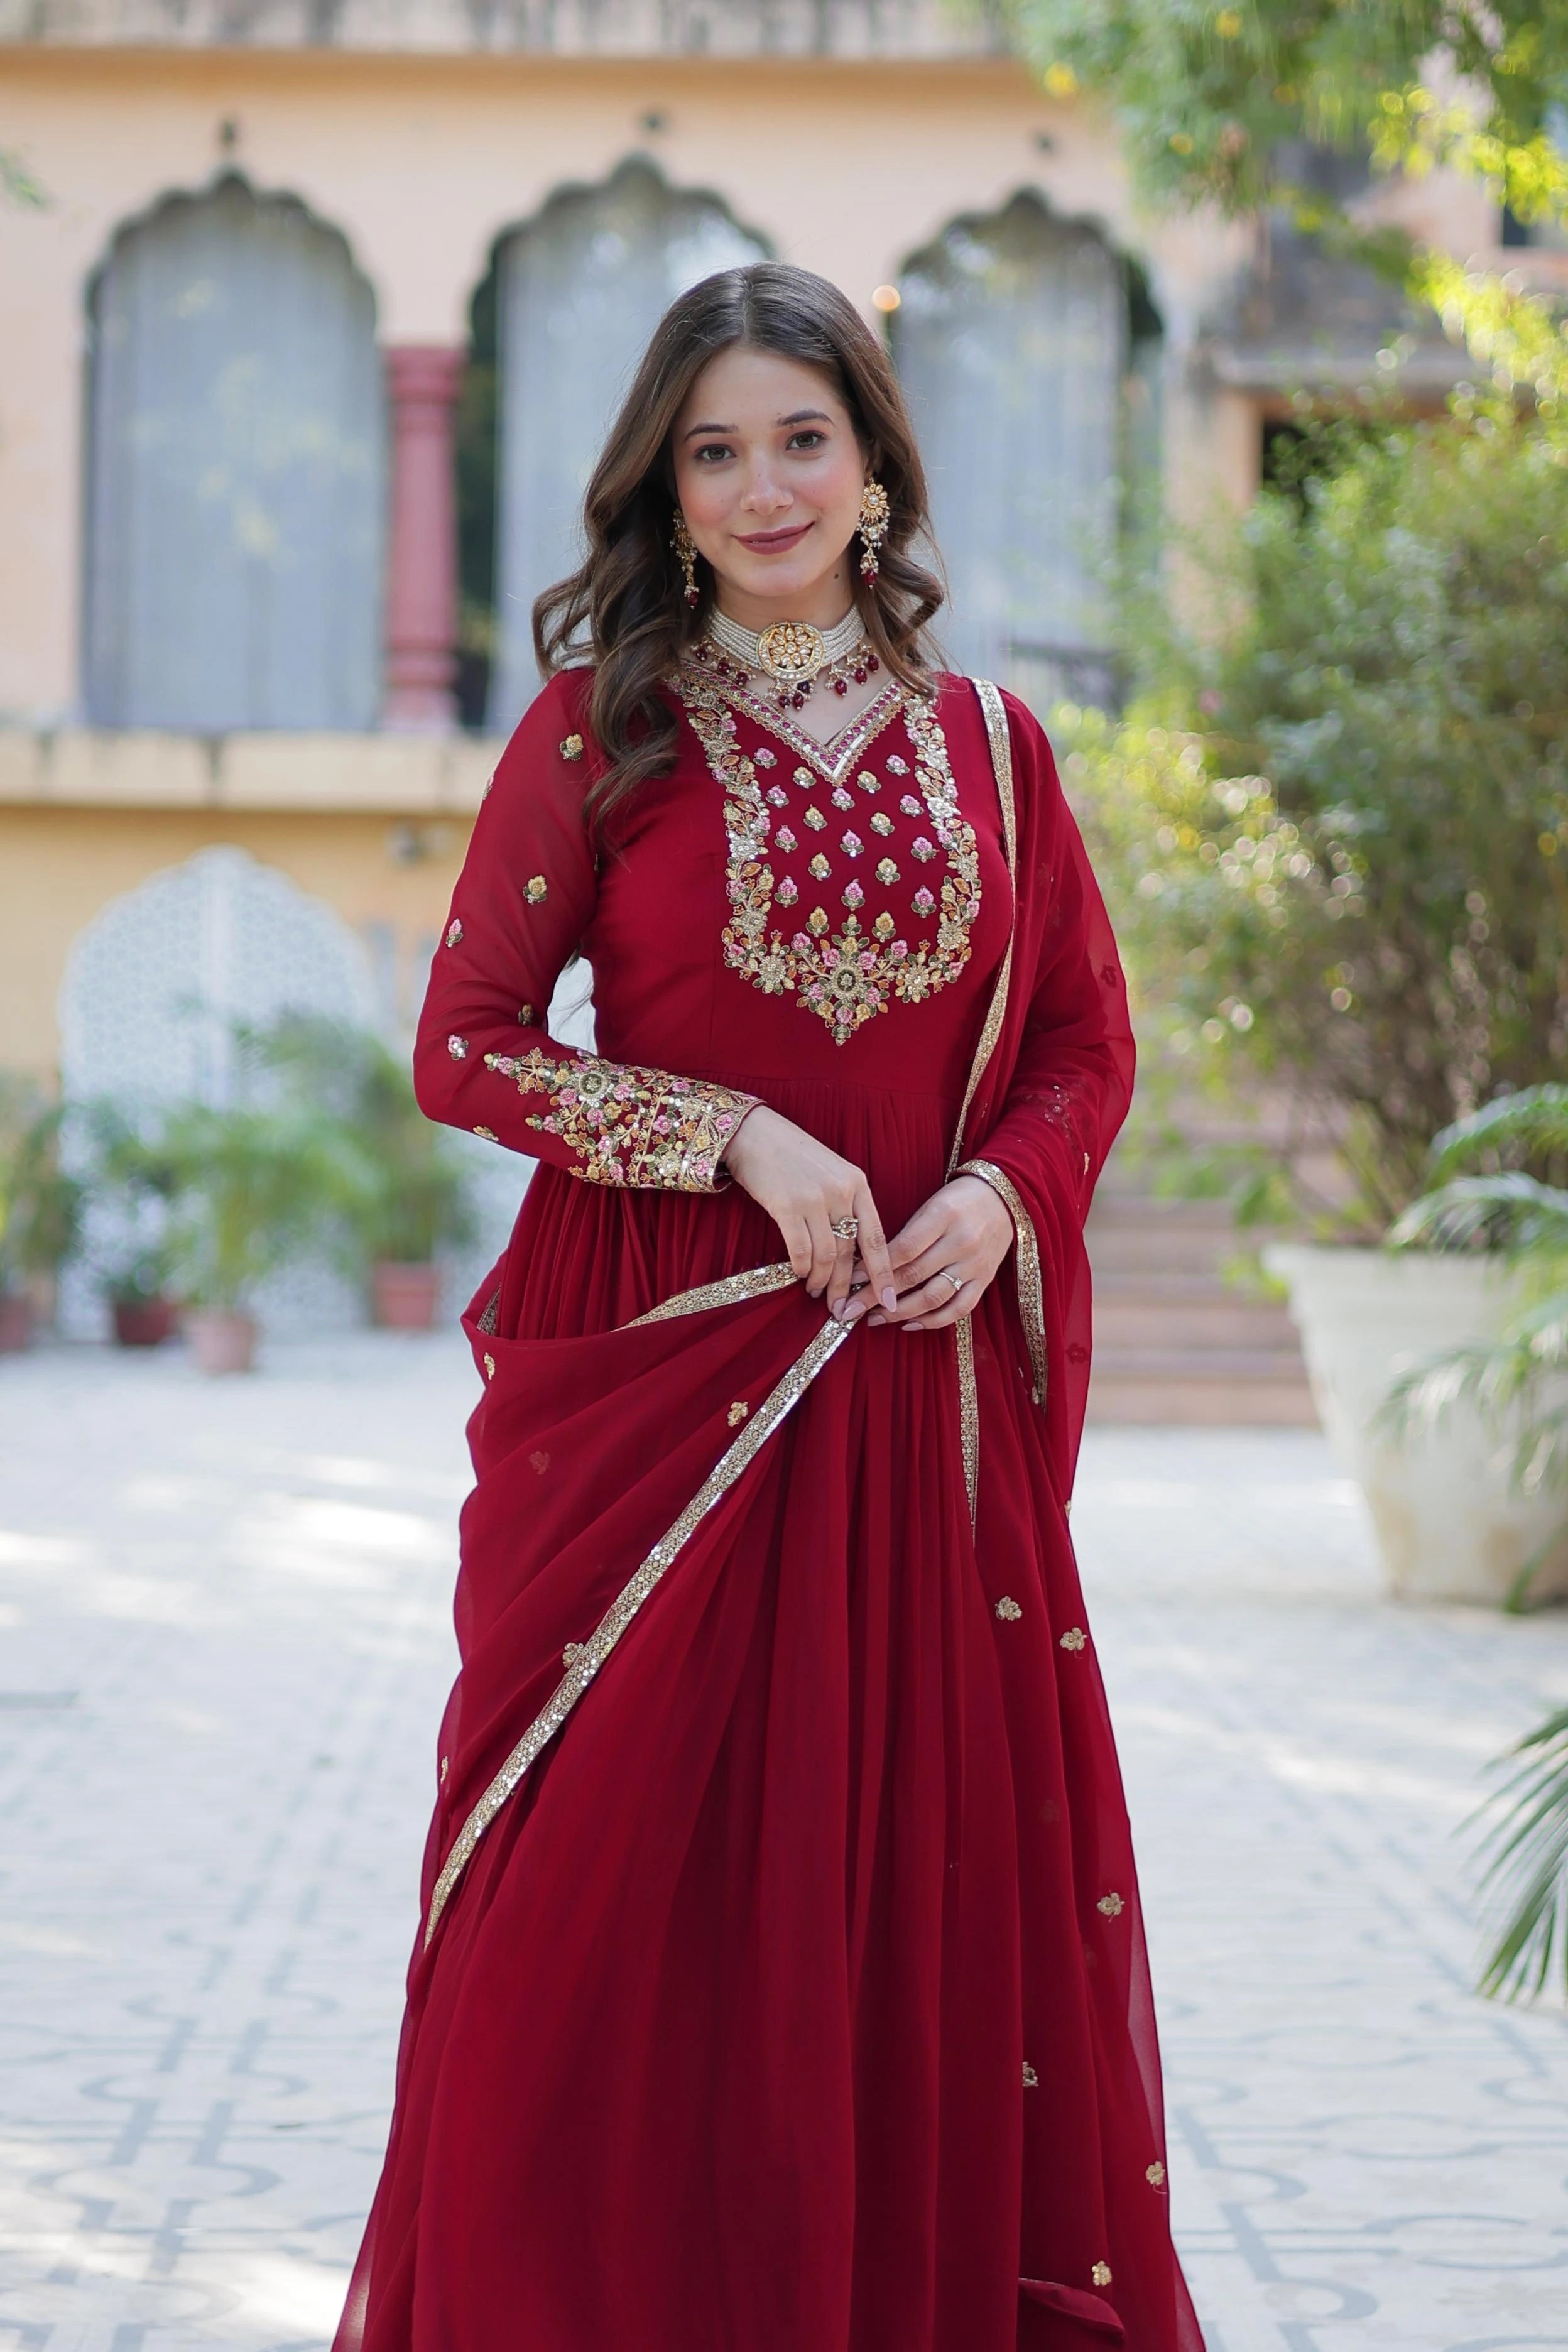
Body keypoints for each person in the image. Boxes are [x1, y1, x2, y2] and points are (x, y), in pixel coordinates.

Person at [335, 261, 1204, 2352]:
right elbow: (462, 1046)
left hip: (917, 1412)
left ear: (878, 462)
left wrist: (1004, 1194)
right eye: (713, 451)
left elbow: (1088, 1044)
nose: (761, 486)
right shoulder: (602, 729)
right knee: (601, 1918)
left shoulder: (997, 752)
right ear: (667, 486)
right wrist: (723, 1132)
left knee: (913, 1911)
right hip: (665, 1411)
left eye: (800, 439)